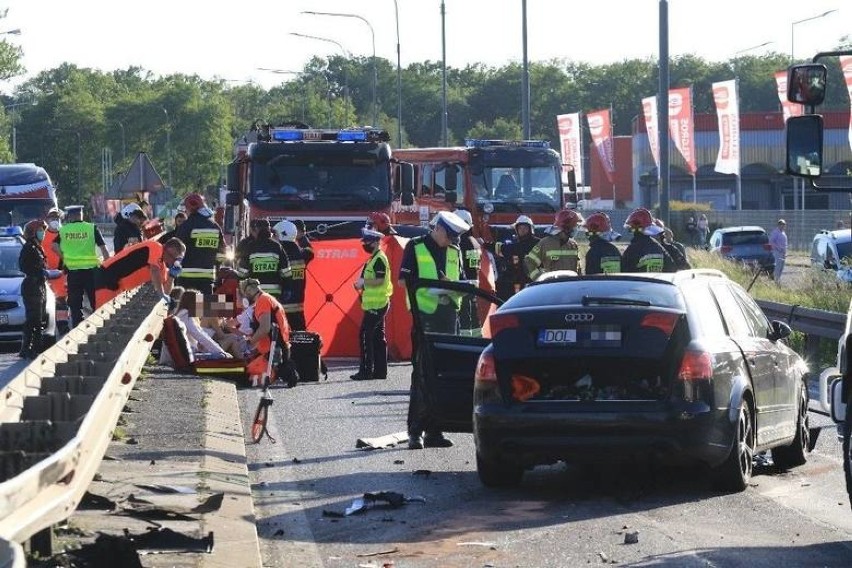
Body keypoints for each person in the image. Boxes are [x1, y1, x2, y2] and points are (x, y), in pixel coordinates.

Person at [399, 210, 468, 450]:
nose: (450, 242)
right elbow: (403, 281)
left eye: (453, 239)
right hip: (424, 317)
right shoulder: (415, 247)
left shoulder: (454, 251)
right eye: (448, 237)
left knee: (443, 375)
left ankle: (435, 431)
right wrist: (432, 287)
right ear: (437, 228)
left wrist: (454, 287)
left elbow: (461, 282)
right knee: (421, 375)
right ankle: (415, 432)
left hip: (448, 317)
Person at [52, 205, 111, 328]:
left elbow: (54, 246)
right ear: (81, 215)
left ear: (71, 216)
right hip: (91, 272)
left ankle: (77, 330)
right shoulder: (91, 228)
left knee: (75, 305)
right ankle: (99, 327)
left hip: (73, 273)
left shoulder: (64, 230)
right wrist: (107, 267)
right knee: (96, 302)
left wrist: (65, 258)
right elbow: (104, 250)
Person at [94, 237, 186, 308]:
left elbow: (166, 292)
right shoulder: (156, 247)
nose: (175, 261)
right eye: (175, 258)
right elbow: (154, 271)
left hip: (117, 286)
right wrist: (161, 295)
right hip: (106, 279)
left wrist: (171, 276)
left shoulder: (161, 267)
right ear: (167, 249)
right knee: (101, 318)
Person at [351, 228, 393, 381]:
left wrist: (364, 282)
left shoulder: (379, 258)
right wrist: (361, 284)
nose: (365, 245)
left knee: (365, 335)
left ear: (376, 242)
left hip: (377, 303)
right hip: (375, 303)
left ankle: (366, 371)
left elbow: (380, 280)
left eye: (367, 242)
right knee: (377, 337)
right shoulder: (373, 258)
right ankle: (380, 372)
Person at [18, 220, 60, 359]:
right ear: (33, 232)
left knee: (39, 318)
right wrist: (39, 272)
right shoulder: (29, 247)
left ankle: (36, 347)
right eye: (40, 230)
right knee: (33, 319)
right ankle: (27, 348)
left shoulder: (37, 247)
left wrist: (47, 272)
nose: (43, 232)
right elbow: (23, 267)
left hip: (39, 285)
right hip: (32, 286)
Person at [240, 278, 292, 388]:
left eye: (244, 294)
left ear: (248, 291)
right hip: (276, 348)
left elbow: (265, 328)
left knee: (245, 375)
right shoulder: (268, 298)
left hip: (272, 352)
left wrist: (250, 343)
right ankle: (281, 369)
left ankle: (278, 371)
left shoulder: (262, 301)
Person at [160, 287, 232, 365]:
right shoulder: (186, 315)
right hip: (185, 358)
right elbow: (200, 336)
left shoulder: (180, 314)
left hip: (174, 357)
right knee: (220, 355)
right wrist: (221, 352)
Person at [174, 192, 227, 295]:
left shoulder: (185, 226)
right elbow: (222, 254)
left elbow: (176, 249)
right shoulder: (215, 227)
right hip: (207, 278)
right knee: (204, 308)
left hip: (186, 277)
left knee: (184, 307)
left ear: (189, 209)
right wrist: (214, 264)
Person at [486, 214, 539, 300]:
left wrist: (486, 245)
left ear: (530, 229)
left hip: (532, 279)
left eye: (525, 228)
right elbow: (505, 249)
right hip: (518, 279)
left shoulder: (536, 243)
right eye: (520, 228)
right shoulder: (517, 243)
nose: (522, 230)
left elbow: (507, 249)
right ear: (516, 230)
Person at [524, 209, 584, 281]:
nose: (576, 229)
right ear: (566, 227)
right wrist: (539, 278)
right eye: (575, 226)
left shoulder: (573, 245)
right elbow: (529, 262)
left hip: (570, 287)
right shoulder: (545, 243)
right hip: (552, 287)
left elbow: (578, 270)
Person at [238, 219, 291, 297]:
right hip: (274, 293)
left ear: (257, 230)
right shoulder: (277, 246)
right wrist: (287, 289)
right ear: (269, 229)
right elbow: (286, 272)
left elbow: (243, 273)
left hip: (255, 293)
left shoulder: (250, 247)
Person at [272, 220, 309, 331]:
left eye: (274, 234)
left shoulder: (277, 253)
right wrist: (302, 237)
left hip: (280, 305)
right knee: (300, 338)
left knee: (279, 338)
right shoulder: (303, 253)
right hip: (297, 306)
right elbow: (310, 250)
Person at [621, 208, 676, 273]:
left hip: (641, 283)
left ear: (635, 229)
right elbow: (671, 268)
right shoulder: (658, 247)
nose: (631, 231)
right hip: (657, 282)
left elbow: (624, 274)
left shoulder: (632, 249)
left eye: (631, 228)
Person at [41, 207, 67, 315]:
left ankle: (63, 327)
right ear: (47, 219)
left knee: (61, 302)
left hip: (61, 275)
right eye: (52, 217)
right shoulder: (42, 235)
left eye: (56, 217)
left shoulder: (65, 234)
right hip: (46, 274)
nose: (54, 220)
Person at [769, 219, 788, 284]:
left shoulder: (783, 232)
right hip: (777, 252)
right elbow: (771, 241)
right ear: (779, 225)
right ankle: (776, 281)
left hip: (783, 252)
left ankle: (778, 280)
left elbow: (785, 243)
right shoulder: (775, 232)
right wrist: (778, 248)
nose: (783, 226)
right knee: (778, 267)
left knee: (782, 267)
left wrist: (785, 251)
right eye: (781, 224)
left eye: (784, 224)